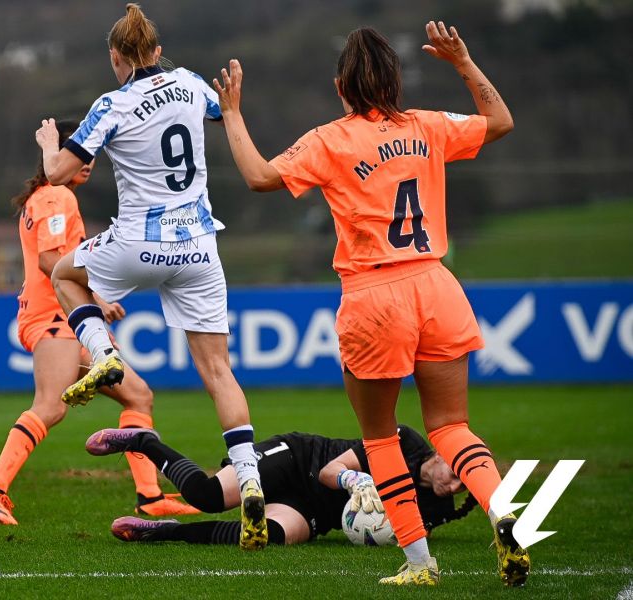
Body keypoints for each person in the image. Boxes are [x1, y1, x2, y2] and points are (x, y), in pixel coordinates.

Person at [211, 22, 529, 585]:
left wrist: (232, 113)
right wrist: (463, 62)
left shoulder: (331, 139)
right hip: (436, 284)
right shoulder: (429, 126)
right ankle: (502, 516)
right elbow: (501, 122)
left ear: (342, 86)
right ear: (395, 80)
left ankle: (419, 564)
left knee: (381, 438)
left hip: (374, 295)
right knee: (452, 427)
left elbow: (261, 176)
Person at [33, 4, 267, 549]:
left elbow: (58, 174)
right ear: (158, 52)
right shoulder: (187, 83)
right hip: (200, 246)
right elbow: (220, 109)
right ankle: (251, 481)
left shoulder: (112, 103)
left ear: (116, 57)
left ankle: (105, 355)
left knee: (67, 276)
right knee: (219, 372)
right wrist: (229, 100)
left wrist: (49, 145)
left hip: (141, 240)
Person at [0, 120, 198, 525]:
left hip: (64, 318)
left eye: (91, 152)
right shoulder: (57, 196)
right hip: (54, 317)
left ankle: (149, 496)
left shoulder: (48, 196)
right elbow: (50, 259)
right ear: (58, 157)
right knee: (51, 406)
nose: (88, 160)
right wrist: (98, 296)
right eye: (80, 151)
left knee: (138, 396)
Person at [86, 424, 476, 547]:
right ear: (441, 454)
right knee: (205, 496)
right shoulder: (403, 441)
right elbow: (329, 471)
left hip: (316, 513)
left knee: (261, 536)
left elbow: (395, 532)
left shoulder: (442, 506)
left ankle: (166, 533)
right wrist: (356, 481)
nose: (456, 487)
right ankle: (143, 442)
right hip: (298, 461)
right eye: (457, 474)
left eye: (464, 485)